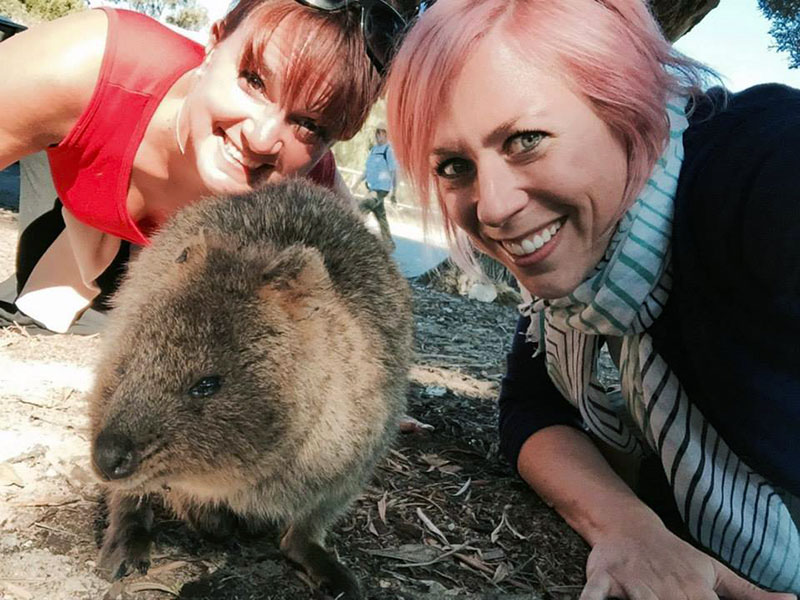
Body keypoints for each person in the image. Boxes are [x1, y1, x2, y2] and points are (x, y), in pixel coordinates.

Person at [386, 0, 800, 598]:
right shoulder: (579, 289)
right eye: (455, 166)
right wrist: (629, 527)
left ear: (627, 109)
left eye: (526, 140)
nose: (494, 206)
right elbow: (531, 411)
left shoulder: (761, 167)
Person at [0, 0, 405, 334]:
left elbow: (365, 302)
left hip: (164, 275)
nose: (262, 138)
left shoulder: (311, 184)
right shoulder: (88, 64)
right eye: (254, 81)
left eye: (309, 124)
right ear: (214, 43)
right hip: (77, 199)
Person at [352, 122, 398, 250]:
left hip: (381, 189)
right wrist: (357, 183)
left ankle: (351, 237)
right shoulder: (374, 150)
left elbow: (394, 172)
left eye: (380, 134)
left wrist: (394, 192)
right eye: (377, 133)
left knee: (362, 206)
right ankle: (389, 243)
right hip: (372, 187)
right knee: (380, 215)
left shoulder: (388, 150)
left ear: (386, 135)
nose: (377, 136)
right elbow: (368, 170)